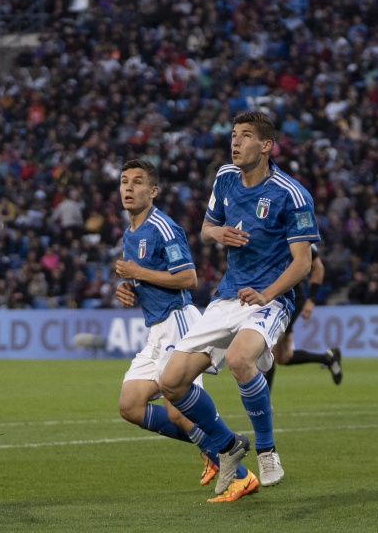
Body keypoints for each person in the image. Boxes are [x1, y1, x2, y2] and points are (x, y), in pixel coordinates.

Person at [159, 111, 319, 502]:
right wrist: (218, 233)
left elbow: (303, 263)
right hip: (228, 296)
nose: (235, 142)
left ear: (266, 146)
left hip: (270, 298)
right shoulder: (225, 177)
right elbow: (206, 228)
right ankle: (227, 445)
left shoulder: (291, 194)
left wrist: (267, 294)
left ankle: (267, 452)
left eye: (246, 136)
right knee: (171, 382)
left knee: (238, 360)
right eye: (233, 135)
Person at [113, 159, 247, 500]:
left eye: (138, 182)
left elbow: (189, 279)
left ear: (153, 191)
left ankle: (240, 473)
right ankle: (217, 453)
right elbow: (139, 278)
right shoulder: (129, 235)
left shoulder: (164, 227)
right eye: (124, 181)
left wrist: (138, 274)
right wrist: (127, 289)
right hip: (155, 330)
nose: (128, 188)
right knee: (130, 405)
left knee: (176, 406)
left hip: (179, 320)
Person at [263, 243, 342, 391]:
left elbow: (318, 267)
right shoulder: (265, 236)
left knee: (269, 352)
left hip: (289, 300)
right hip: (272, 298)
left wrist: (311, 299)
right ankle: (328, 358)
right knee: (284, 357)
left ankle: (263, 407)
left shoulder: (296, 238)